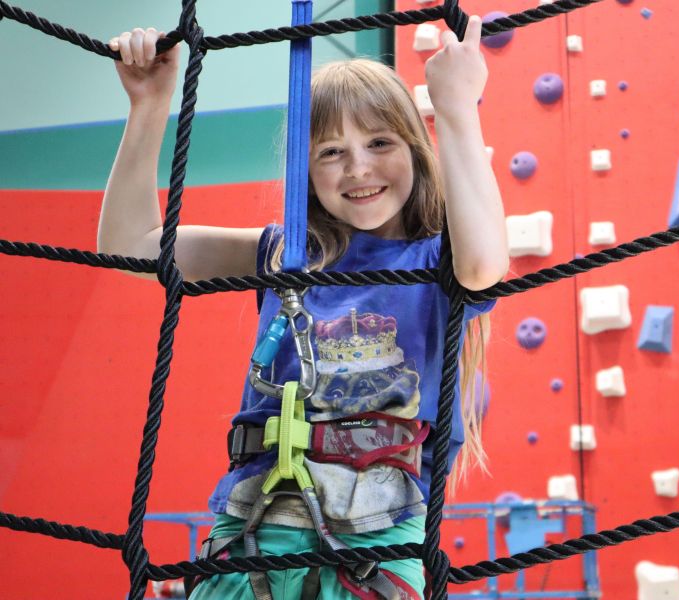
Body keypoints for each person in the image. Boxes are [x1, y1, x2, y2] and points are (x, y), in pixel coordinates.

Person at [99, 16, 508, 600]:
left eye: (380, 143)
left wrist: (457, 107)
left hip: (377, 542)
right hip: (249, 537)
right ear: (304, 172)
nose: (359, 168)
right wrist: (149, 106)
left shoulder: (440, 261)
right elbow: (131, 247)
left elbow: (483, 265)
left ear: (415, 149)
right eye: (331, 152)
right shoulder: (286, 255)